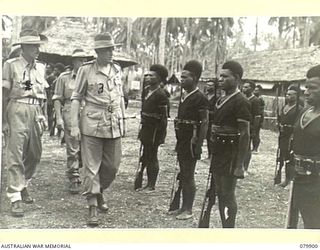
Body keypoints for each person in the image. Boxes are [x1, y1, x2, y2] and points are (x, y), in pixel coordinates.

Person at [70, 32, 126, 226]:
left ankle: (99, 190)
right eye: (107, 49)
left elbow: (120, 98)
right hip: (92, 122)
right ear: (98, 51)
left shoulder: (117, 69)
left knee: (112, 167)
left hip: (113, 123)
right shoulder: (86, 70)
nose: (111, 52)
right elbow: (76, 98)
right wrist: (74, 126)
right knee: (92, 166)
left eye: (112, 49)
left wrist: (123, 121)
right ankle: (92, 205)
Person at [2, 29, 49, 217]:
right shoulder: (11, 65)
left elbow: (43, 95)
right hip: (17, 109)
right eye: (33, 46)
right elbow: (3, 95)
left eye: (38, 45)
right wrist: (3, 121)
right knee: (15, 154)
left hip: (36, 111)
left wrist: (44, 115)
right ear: (23, 47)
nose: (37, 49)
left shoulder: (41, 67)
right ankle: (15, 197)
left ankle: (23, 183)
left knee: (35, 154)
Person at [210, 61, 251, 228]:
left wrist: (240, 165)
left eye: (225, 76)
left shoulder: (241, 101)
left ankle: (229, 228)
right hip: (219, 152)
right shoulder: (221, 99)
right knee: (219, 191)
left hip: (231, 152)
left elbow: (245, 134)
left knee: (228, 193)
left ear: (237, 78)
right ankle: (223, 225)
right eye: (220, 76)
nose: (221, 79)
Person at [172, 60, 209, 220]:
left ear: (194, 78)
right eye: (181, 77)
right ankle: (181, 206)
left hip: (191, 141)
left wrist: (199, 144)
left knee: (188, 174)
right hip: (182, 139)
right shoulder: (184, 96)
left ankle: (188, 208)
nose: (182, 80)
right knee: (183, 173)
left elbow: (205, 122)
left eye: (185, 77)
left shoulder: (200, 98)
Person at [289, 65, 320, 229]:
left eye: (312, 88)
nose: (306, 92)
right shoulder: (303, 113)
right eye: (306, 87)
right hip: (300, 179)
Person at [52, 49, 88, 194]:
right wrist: (59, 118)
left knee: (88, 145)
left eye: (85, 60)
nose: (83, 63)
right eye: (80, 60)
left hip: (87, 111)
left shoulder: (90, 76)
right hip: (69, 110)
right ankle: (73, 177)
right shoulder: (64, 77)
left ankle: (89, 177)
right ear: (73, 61)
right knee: (72, 146)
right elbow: (57, 98)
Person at [137, 64, 169, 192]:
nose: (148, 77)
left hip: (155, 129)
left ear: (159, 78)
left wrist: (161, 133)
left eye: (152, 75)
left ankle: (151, 185)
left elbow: (164, 117)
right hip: (146, 126)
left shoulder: (161, 94)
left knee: (152, 155)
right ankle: (143, 180)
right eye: (148, 75)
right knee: (145, 154)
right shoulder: (146, 90)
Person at [277, 85, 303, 188]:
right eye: (287, 94)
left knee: (289, 158)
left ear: (296, 96)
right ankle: (282, 176)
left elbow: (298, 125)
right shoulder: (285, 107)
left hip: (291, 137)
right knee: (282, 155)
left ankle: (288, 179)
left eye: (290, 94)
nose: (288, 96)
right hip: (283, 135)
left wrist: (290, 128)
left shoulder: (299, 109)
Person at [242, 81, 261, 175]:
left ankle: (245, 168)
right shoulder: (241, 98)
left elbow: (257, 117)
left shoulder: (255, 100)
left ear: (252, 89)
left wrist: (254, 131)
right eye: (243, 87)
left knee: (247, 147)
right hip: (241, 125)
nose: (244, 89)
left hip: (250, 126)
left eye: (247, 87)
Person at [205, 81, 218, 159]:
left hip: (212, 120)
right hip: (205, 120)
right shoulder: (205, 96)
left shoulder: (217, 98)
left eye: (211, 85)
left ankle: (212, 155)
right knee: (207, 137)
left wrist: (208, 112)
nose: (209, 87)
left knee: (211, 138)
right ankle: (209, 154)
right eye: (207, 85)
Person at [252, 84, 265, 153]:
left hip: (258, 118)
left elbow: (260, 111)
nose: (255, 92)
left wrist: (260, 121)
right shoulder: (254, 98)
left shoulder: (260, 99)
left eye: (256, 90)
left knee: (256, 133)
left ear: (260, 91)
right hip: (254, 117)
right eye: (254, 90)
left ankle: (255, 148)